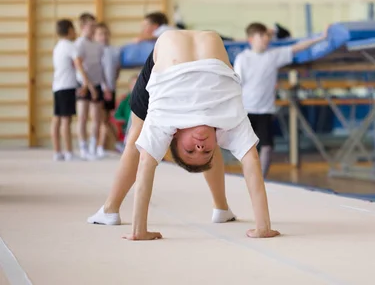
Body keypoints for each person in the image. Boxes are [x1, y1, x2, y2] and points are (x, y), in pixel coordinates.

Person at [87, 30, 280, 241]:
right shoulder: (230, 122)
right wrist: (263, 226)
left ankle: (109, 210)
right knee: (143, 137)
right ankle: (221, 208)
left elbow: (146, 163)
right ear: (218, 139)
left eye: (190, 150)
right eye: (207, 149)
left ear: (174, 135)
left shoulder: (164, 120)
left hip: (168, 55)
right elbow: (251, 160)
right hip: (207, 44)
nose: (200, 146)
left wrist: (138, 230)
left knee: (137, 135)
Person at [233, 22, 328, 177]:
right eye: (261, 36)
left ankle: (261, 178)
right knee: (247, 148)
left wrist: (322, 37)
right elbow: (236, 83)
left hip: (265, 110)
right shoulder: (242, 59)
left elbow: (298, 47)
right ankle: (249, 176)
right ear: (251, 39)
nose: (265, 39)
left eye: (266, 36)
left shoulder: (273, 56)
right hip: (246, 110)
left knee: (267, 146)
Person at [73, 13, 110, 160]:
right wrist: (88, 85)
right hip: (83, 84)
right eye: (91, 25)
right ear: (83, 27)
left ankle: (93, 147)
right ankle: (83, 148)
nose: (94, 28)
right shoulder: (79, 43)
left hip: (96, 82)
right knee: (82, 117)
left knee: (96, 118)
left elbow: (101, 67)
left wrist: (104, 85)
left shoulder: (97, 45)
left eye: (95, 25)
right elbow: (78, 64)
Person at [51, 19, 78, 161]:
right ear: (69, 30)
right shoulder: (70, 46)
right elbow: (78, 65)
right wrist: (86, 84)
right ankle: (69, 152)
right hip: (67, 85)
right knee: (66, 120)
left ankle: (57, 152)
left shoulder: (58, 46)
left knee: (57, 119)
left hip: (57, 85)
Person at [95, 23, 121, 158]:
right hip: (102, 88)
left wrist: (111, 87)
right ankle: (99, 146)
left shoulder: (114, 50)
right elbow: (99, 72)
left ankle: (114, 143)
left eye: (105, 34)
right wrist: (105, 88)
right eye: (100, 34)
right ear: (95, 36)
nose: (103, 37)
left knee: (107, 119)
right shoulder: (96, 51)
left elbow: (116, 70)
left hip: (111, 88)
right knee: (102, 120)